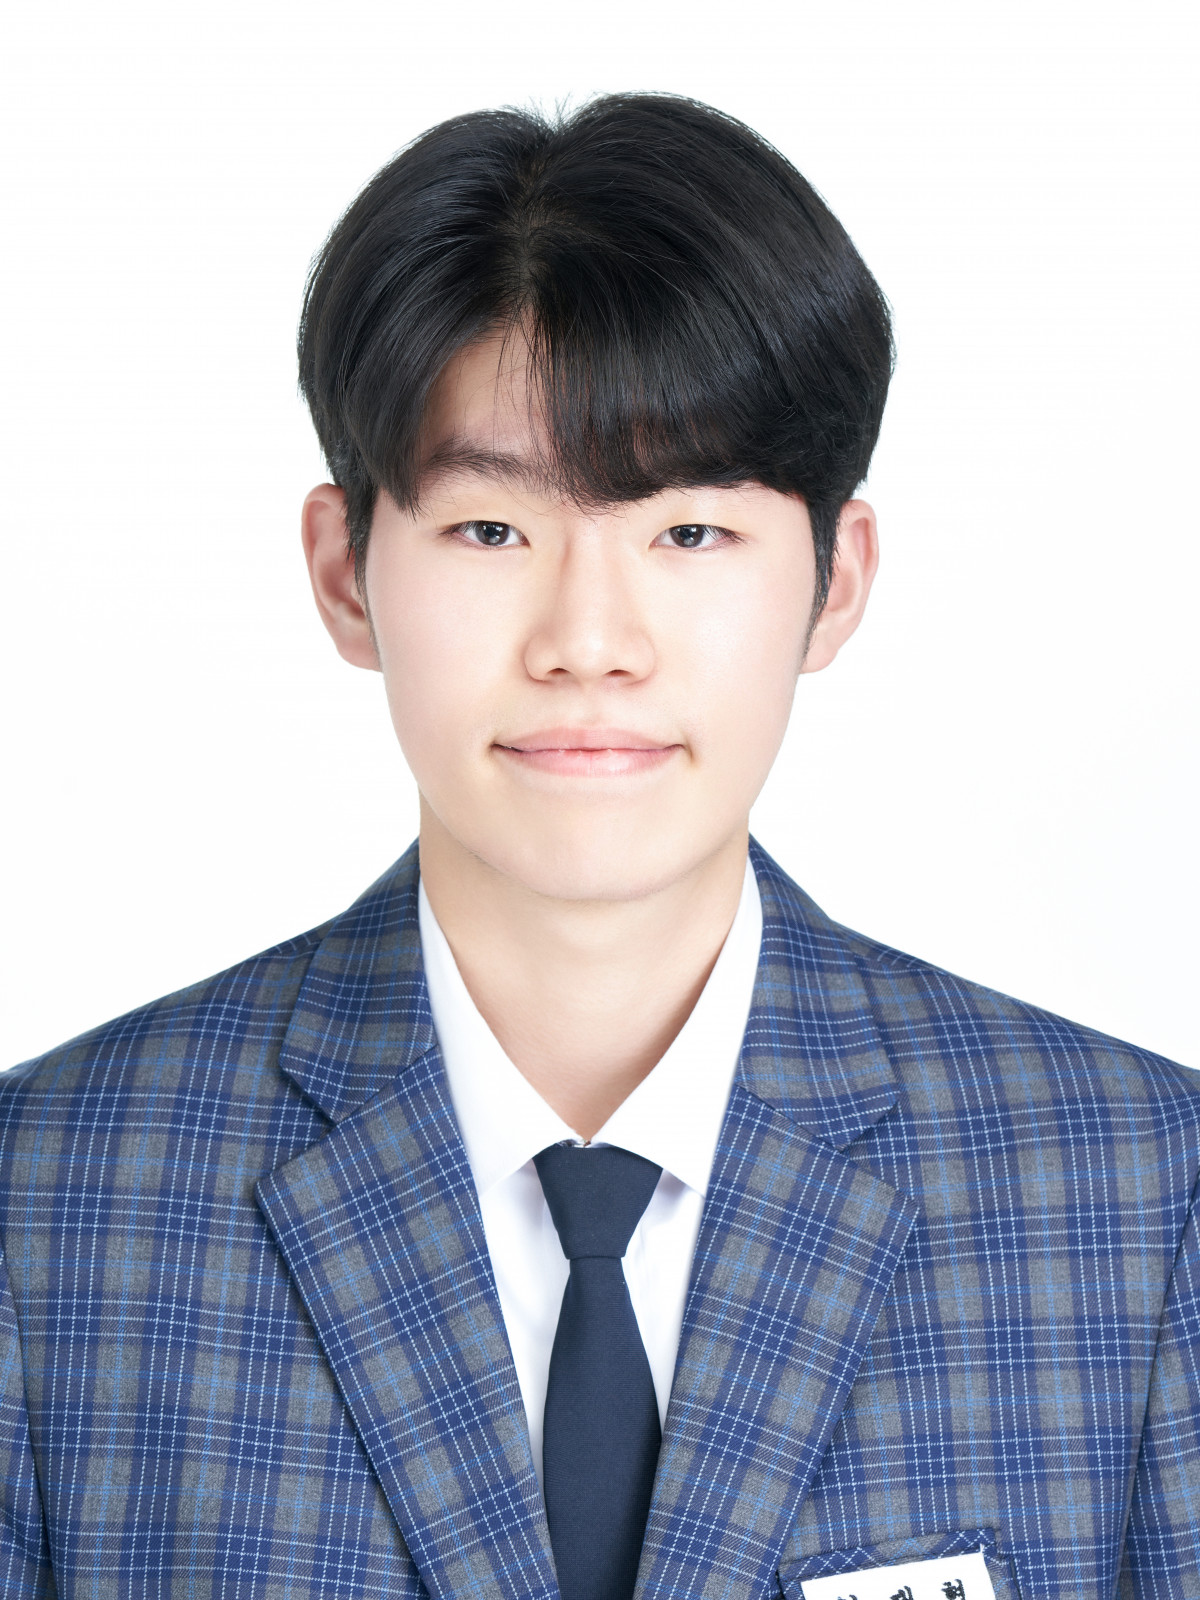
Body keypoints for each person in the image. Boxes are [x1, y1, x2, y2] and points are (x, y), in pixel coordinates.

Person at [0, 93, 1196, 1600]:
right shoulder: (49, 1204)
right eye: (491, 531)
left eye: (688, 532)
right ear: (346, 574)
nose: (588, 641)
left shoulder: (1133, 1190)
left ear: (833, 583)